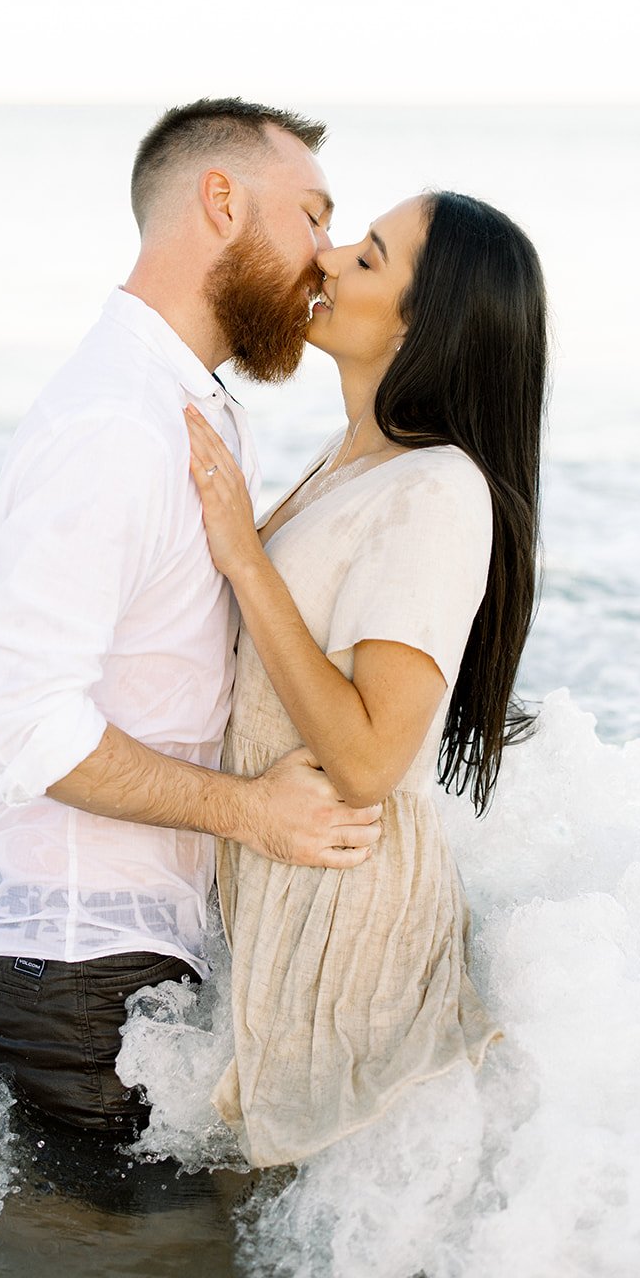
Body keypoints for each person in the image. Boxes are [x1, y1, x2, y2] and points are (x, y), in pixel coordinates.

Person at [0, 98, 383, 1138]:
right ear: (220, 200)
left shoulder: (190, 403)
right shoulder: (113, 424)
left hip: (115, 952)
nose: (326, 253)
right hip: (66, 969)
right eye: (311, 215)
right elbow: (25, 724)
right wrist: (254, 811)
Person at [183, 189, 547, 1167]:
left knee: (304, 1260)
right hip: (285, 871)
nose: (330, 257)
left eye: (369, 257)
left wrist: (242, 555)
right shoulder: (356, 461)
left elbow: (370, 756)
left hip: (346, 909)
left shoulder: (437, 490)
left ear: (423, 324)